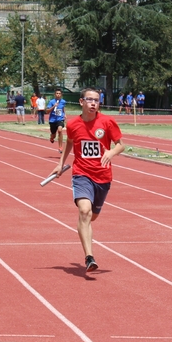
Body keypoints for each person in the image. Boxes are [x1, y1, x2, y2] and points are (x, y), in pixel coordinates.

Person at [49, 88, 124, 273]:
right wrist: (60, 164)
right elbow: (70, 142)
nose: (93, 103)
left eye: (97, 100)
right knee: (84, 211)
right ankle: (89, 257)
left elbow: (121, 145)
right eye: (89, 100)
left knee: (92, 217)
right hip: (81, 174)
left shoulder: (107, 122)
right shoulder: (74, 124)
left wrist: (111, 152)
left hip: (103, 177)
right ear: (81, 102)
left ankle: (85, 229)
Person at [46, 88, 67, 153]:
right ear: (55, 94)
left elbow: (63, 108)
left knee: (60, 130)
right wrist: (53, 106)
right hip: (52, 120)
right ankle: (52, 138)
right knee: (53, 134)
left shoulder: (63, 101)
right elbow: (47, 111)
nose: (58, 95)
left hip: (60, 119)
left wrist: (64, 114)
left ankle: (60, 147)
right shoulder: (51, 102)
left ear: (61, 94)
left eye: (59, 93)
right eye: (57, 93)